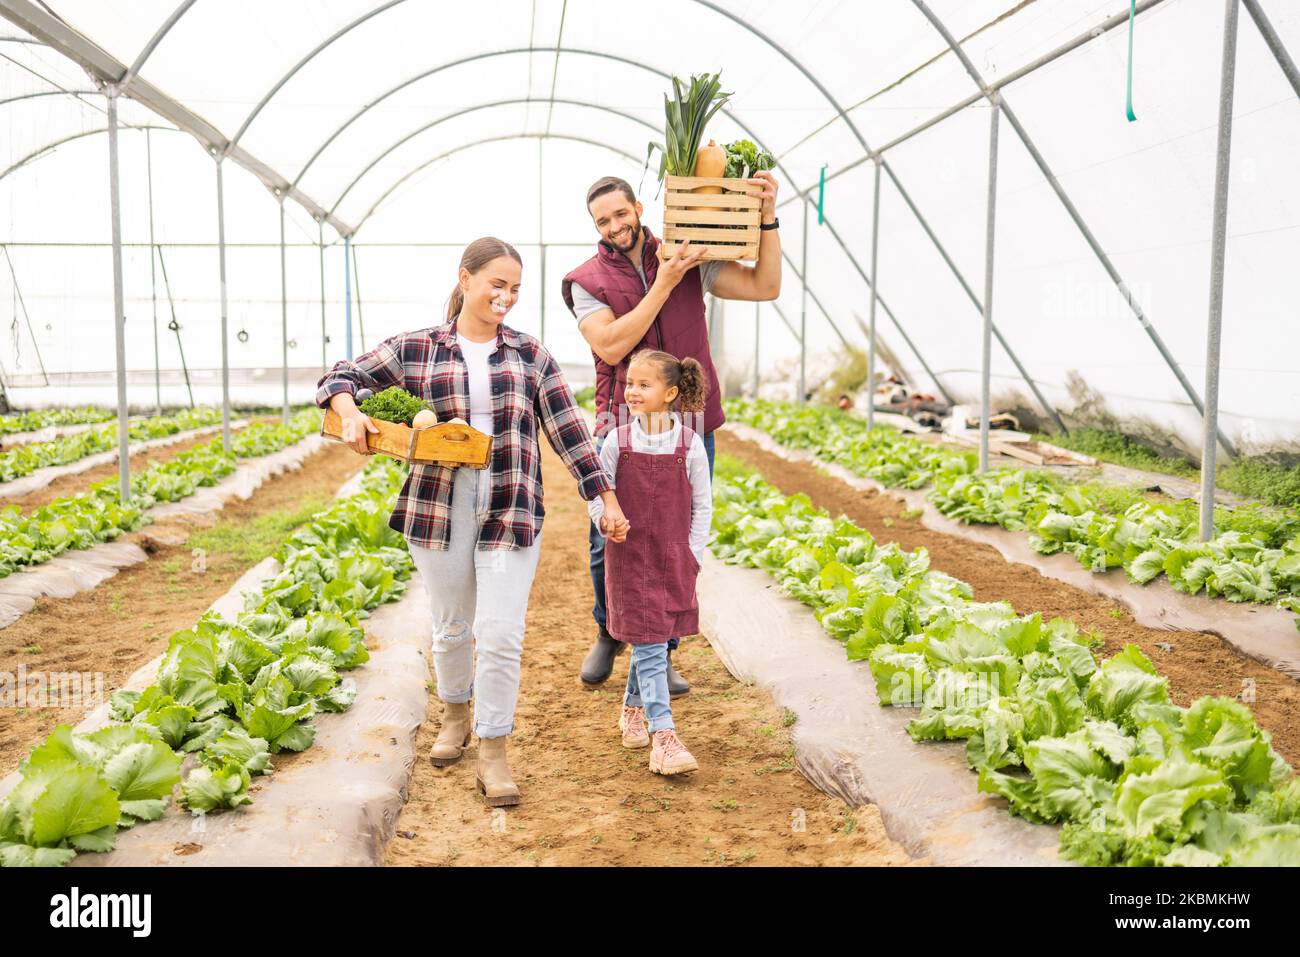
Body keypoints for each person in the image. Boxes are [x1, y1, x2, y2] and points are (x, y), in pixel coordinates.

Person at [317, 237, 627, 808]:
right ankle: (455, 717)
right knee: (452, 626)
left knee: (502, 634)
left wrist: (603, 497)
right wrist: (351, 414)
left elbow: (569, 432)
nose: (506, 296)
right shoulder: (419, 349)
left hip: (512, 501)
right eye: (496, 284)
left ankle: (493, 752)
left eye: (514, 288)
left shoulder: (530, 355)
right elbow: (338, 377)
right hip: (439, 504)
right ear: (466, 279)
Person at [563, 171, 782, 693]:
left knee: (675, 539)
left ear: (638, 208)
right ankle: (608, 631)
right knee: (607, 537)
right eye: (603, 220)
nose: (615, 225)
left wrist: (768, 218)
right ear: (595, 226)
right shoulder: (585, 281)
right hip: (623, 421)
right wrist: (664, 280)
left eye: (621, 213)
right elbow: (613, 347)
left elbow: (764, 285)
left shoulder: (691, 255)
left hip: (687, 421)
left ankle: (660, 649)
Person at [588, 349, 712, 775]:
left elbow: (703, 506)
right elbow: (596, 494)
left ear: (671, 393)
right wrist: (606, 520)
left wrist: (693, 556)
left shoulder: (690, 443)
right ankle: (664, 734)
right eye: (630, 384)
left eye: (645, 384)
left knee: (652, 636)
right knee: (651, 640)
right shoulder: (616, 440)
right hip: (628, 557)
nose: (633, 392)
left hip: (673, 556)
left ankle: (631, 709)